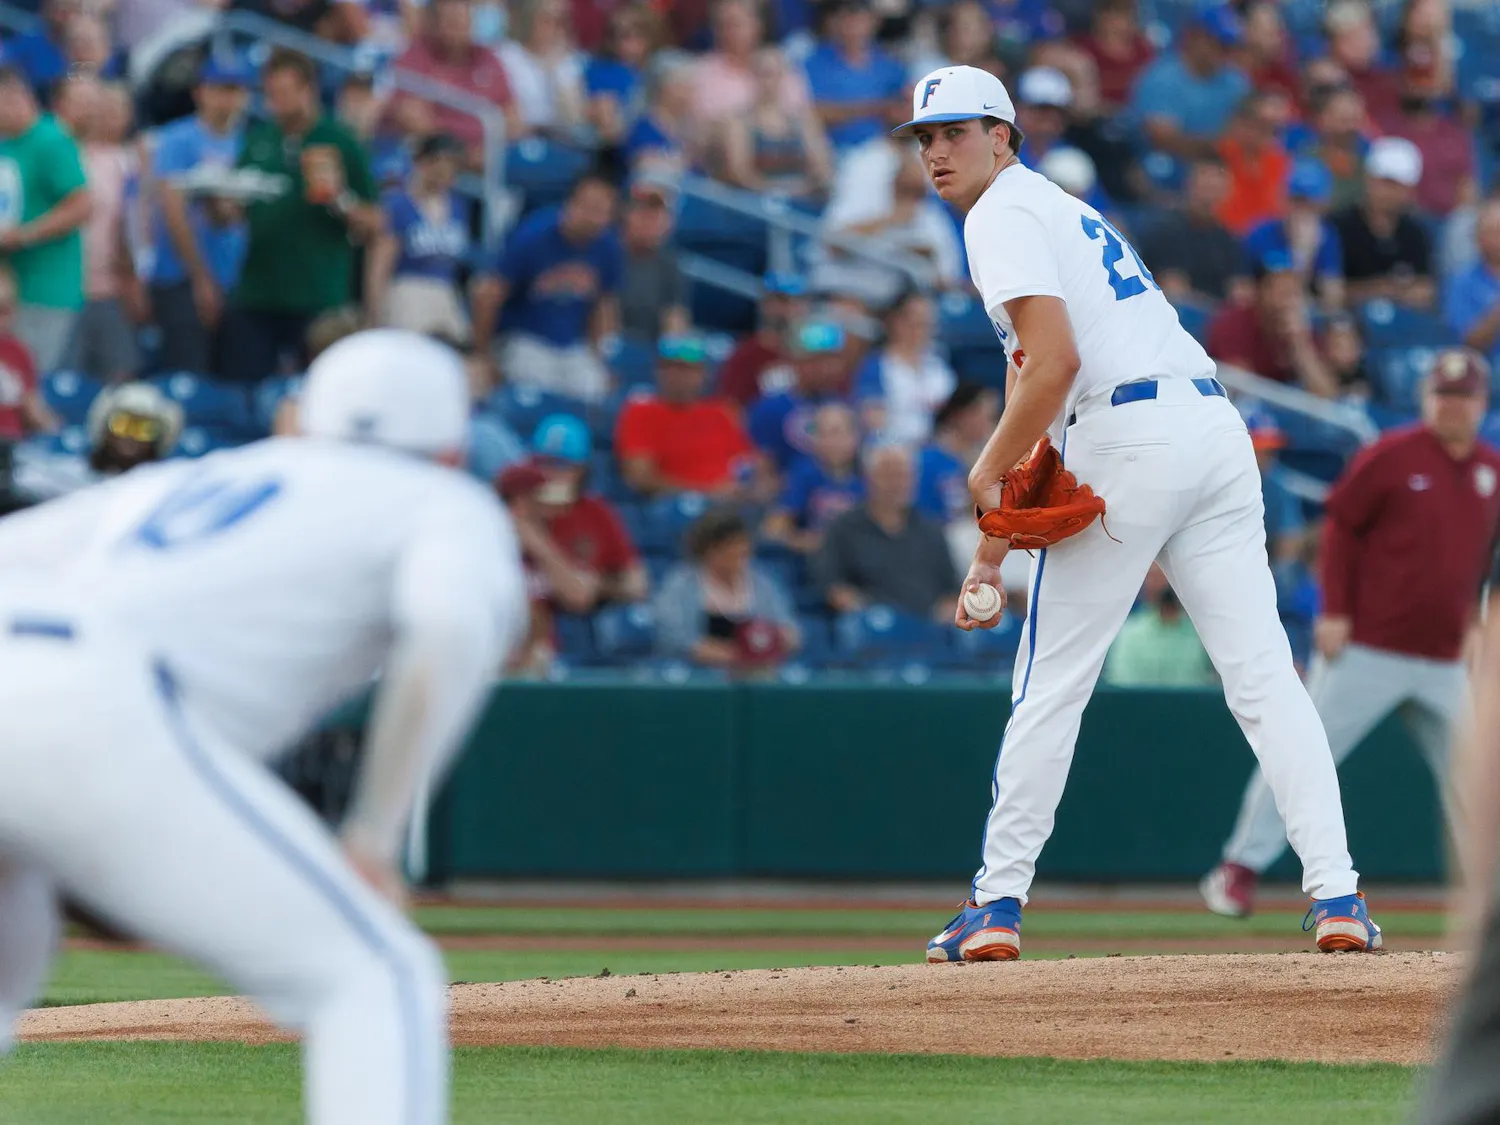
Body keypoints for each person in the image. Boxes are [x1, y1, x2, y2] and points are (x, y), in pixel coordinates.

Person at [897, 64, 1376, 961]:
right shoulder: (1062, 211)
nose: (936, 151)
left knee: (1052, 683)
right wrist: (990, 556)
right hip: (1211, 429)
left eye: (954, 131)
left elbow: (1052, 370)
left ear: (1003, 136)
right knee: (1267, 678)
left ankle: (996, 904)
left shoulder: (999, 213)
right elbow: (1030, 379)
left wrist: (981, 472)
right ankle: (1339, 892)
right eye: (925, 138)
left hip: (1125, 432)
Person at [0, 329, 524, 1125]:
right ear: (453, 445)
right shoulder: (445, 500)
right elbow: (449, 627)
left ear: (301, 418)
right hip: (99, 706)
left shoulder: (206, 475)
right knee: (373, 977)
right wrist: (375, 835)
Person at [1201, 349, 1500, 919]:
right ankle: (1237, 868)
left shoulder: (1492, 470)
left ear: (1482, 404)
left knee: (1480, 777)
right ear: (1426, 398)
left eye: (1462, 396)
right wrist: (1334, 609)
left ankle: (1490, 895)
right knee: (1302, 753)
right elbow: (1340, 527)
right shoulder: (1391, 455)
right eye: (1442, 394)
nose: (1451, 405)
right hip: (1368, 647)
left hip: (1446, 656)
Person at [222, 50, 381, 383]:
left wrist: (339, 198)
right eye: (270, 94)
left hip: (317, 291)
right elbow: (231, 213)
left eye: (283, 93)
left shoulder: (340, 141)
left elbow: (375, 222)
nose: (274, 102)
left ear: (308, 90)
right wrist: (218, 201)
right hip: (259, 288)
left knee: (321, 387)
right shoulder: (260, 138)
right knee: (243, 388)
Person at [471, 170, 622, 404]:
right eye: (589, 207)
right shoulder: (534, 235)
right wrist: (483, 354)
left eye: (602, 211)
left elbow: (602, 305)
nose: (594, 217)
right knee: (536, 386)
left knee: (594, 390)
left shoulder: (608, 247)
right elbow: (487, 294)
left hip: (572, 345)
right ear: (571, 204)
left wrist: (600, 358)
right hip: (524, 338)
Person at [146, 56, 251, 375]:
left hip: (234, 274)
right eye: (220, 89)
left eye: (235, 90)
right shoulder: (178, 138)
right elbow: (172, 212)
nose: (228, 98)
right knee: (188, 373)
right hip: (181, 276)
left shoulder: (247, 141)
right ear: (200, 92)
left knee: (233, 374)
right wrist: (200, 277)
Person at [0, 65, 90, 374]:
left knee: (28, 381)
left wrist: (24, 235)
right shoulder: (7, 143)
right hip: (10, 288)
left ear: (14, 96)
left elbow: (82, 205)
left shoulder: (51, 139)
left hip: (45, 289)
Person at [59, 80, 143, 383]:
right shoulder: (63, 154)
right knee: (62, 380)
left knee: (118, 376)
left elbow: (131, 229)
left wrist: (133, 281)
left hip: (110, 289)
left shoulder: (127, 161)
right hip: (62, 290)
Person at [813, 442, 957, 620]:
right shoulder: (844, 528)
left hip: (928, 629)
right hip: (871, 630)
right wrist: (859, 608)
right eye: (889, 476)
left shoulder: (931, 529)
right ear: (868, 479)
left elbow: (951, 589)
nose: (898, 484)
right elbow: (832, 586)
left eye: (904, 476)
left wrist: (947, 609)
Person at [654, 507, 800, 670]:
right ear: (709, 550)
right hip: (699, 673)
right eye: (731, 546)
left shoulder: (763, 584)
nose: (740, 551)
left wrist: (777, 641)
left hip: (758, 672)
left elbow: (790, 631)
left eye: (743, 544)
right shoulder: (681, 584)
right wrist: (730, 655)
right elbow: (673, 637)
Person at [614, 334, 754, 496]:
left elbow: (746, 464)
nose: (677, 376)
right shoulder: (641, 412)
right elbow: (639, 476)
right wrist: (705, 493)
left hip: (730, 503)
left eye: (686, 369)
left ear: (702, 374)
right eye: (669, 367)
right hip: (676, 506)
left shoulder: (721, 412)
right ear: (658, 372)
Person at [364, 133, 473, 340]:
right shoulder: (399, 205)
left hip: (446, 291)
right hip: (408, 291)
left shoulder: (458, 206)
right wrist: (374, 314)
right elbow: (380, 266)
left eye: (451, 165)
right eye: (438, 163)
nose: (444, 171)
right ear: (422, 164)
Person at [11, 379, 182, 504]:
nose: (132, 436)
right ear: (104, 426)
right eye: (122, 424)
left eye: (144, 428)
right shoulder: (72, 475)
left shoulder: (163, 491)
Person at [391, 0, 523, 158]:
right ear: (434, 21)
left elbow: (513, 116)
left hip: (490, 159)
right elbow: (411, 116)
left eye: (461, 20)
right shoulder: (415, 58)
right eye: (449, 21)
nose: (455, 27)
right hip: (442, 157)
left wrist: (489, 150)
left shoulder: (488, 59)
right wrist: (464, 152)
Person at [1128, 4, 1249, 170]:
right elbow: (1163, 140)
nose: (1225, 53)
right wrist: (1220, 144)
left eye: (1229, 46)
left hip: (1219, 172)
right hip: (1165, 168)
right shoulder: (1162, 77)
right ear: (1195, 37)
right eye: (1219, 44)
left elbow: (1247, 131)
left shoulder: (1234, 80)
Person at [1207, 253, 1339, 397]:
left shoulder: (1303, 330)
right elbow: (1237, 386)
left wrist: (1299, 344)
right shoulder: (1233, 321)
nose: (1289, 299)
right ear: (1261, 291)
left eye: (1294, 291)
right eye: (1282, 290)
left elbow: (1326, 393)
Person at [1330, 135, 1435, 310]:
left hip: (1402, 325)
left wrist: (1395, 291)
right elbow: (1330, 292)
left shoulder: (1416, 232)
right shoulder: (1340, 226)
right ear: (1369, 180)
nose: (1392, 193)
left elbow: (1425, 288)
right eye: (1386, 183)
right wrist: (1379, 290)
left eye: (1401, 186)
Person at [721, 47, 834, 203]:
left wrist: (805, 188)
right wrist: (775, 191)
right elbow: (739, 172)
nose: (768, 81)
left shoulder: (803, 120)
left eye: (775, 74)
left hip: (801, 199)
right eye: (763, 74)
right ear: (752, 77)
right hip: (757, 203)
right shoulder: (737, 122)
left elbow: (821, 165)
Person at [1137, 156, 1250, 307]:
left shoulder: (1230, 241)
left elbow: (1240, 292)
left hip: (1217, 320)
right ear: (1189, 186)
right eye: (1204, 189)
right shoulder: (1166, 232)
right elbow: (1174, 291)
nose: (1208, 198)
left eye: (1215, 190)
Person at [748, 317, 851, 475]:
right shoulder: (771, 409)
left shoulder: (845, 406)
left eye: (832, 360)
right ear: (794, 362)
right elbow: (760, 464)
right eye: (816, 360)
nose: (826, 368)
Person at [1242, 157, 1345, 313]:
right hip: (1263, 315)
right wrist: (1299, 254)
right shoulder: (1260, 233)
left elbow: (1333, 299)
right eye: (1297, 200)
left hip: (1307, 315)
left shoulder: (1326, 238)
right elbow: (1242, 290)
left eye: (1310, 202)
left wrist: (1306, 254)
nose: (1302, 208)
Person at [854, 290, 955, 447]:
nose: (923, 331)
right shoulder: (877, 366)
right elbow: (874, 423)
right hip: (895, 450)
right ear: (897, 323)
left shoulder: (939, 365)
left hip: (938, 448)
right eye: (917, 323)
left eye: (927, 324)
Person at [762, 401, 862, 555]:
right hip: (813, 562)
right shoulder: (803, 474)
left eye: (836, 433)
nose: (830, 441)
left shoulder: (870, 477)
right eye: (822, 434)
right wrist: (801, 541)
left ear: (854, 437)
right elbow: (773, 529)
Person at [803, 0, 906, 151]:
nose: (854, 27)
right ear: (835, 22)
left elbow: (905, 108)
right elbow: (813, 112)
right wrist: (876, 109)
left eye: (859, 19)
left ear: (875, 21)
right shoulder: (815, 62)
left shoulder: (889, 63)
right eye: (847, 19)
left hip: (886, 145)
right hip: (837, 150)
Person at [1102, 565, 1215, 687]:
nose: (1153, 583)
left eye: (1160, 576)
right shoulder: (1129, 634)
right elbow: (1121, 689)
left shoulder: (1203, 635)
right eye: (1152, 576)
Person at [496, 0, 588, 140]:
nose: (554, 27)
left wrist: (554, 69)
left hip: (561, 140)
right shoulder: (506, 56)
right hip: (520, 139)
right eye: (546, 19)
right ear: (529, 20)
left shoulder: (567, 61)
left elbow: (574, 117)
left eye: (560, 21)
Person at [718, 272, 809, 407]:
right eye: (779, 301)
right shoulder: (746, 354)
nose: (786, 310)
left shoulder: (813, 354)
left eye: (793, 302)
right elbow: (731, 406)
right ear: (764, 305)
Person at [618, 177, 689, 343]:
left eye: (658, 215)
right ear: (625, 214)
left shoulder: (669, 265)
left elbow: (674, 320)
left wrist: (671, 352)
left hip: (650, 352)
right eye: (644, 213)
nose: (651, 221)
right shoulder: (607, 254)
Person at [1215, 92, 1291, 237]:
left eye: (1271, 127)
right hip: (1224, 240)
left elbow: (1282, 212)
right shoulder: (1218, 157)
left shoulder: (1280, 162)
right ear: (1238, 123)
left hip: (1265, 245)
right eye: (1259, 124)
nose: (1265, 132)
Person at [585, 4, 660, 149]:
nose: (623, 42)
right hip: (622, 149)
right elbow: (607, 124)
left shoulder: (659, 68)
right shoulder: (599, 71)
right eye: (615, 35)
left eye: (634, 33)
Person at [0, 268, 56, 445]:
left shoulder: (17, 351)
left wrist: (55, 429)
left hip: (11, 444)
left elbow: (34, 409)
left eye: (4, 310)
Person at [1444, 198, 1500, 372]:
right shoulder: (1462, 281)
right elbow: (1470, 342)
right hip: (1485, 371)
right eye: (1495, 232)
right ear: (1478, 238)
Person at [1073, 0, 1154, 115]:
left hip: (1137, 116)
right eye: (1111, 14)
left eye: (1125, 14)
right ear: (1100, 17)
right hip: (1095, 118)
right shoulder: (1082, 49)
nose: (1117, 22)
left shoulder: (1144, 50)